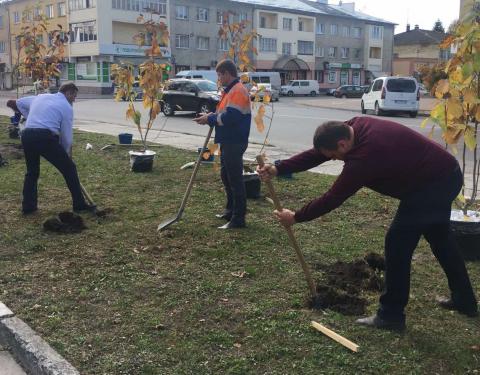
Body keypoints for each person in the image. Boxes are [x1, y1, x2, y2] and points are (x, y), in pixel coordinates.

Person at [257, 116, 478, 331]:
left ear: (342, 144)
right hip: (444, 173)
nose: (334, 159)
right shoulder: (354, 125)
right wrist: (280, 167)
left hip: (432, 185)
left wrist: (296, 216)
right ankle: (465, 300)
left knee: (397, 244)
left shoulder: (364, 158)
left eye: (335, 156)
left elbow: (333, 197)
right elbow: (319, 154)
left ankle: (390, 315)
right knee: (441, 240)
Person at [10, 82, 95, 214]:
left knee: (32, 172)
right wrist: (66, 154)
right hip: (44, 137)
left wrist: (31, 118)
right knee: (69, 168)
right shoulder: (66, 107)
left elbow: (19, 103)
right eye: (74, 96)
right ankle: (79, 205)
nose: (74, 99)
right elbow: (66, 136)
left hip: (27, 135)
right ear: (68, 92)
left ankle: (28, 207)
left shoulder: (41, 97)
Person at [193, 60, 251, 229]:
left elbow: (231, 117)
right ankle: (230, 210)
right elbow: (223, 112)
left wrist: (210, 119)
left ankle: (239, 218)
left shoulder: (238, 90)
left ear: (227, 73)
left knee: (235, 179)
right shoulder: (230, 90)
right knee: (226, 176)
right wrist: (211, 115)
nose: (218, 78)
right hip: (227, 140)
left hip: (235, 140)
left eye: (219, 75)